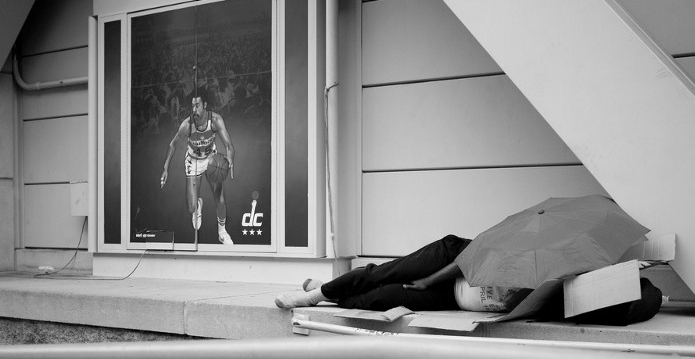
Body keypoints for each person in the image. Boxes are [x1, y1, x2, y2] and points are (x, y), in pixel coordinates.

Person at [274, 235, 525, 312]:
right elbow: (473, 259)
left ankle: (328, 291)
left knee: (380, 299)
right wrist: (428, 280)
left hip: (454, 298)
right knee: (380, 275)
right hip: (450, 260)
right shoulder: (526, 257)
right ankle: (311, 297)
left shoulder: (538, 297)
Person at [160, 86, 236, 244]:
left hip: (211, 160)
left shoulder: (215, 120)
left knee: (220, 199)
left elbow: (229, 145)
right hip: (193, 162)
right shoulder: (187, 125)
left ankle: (222, 232)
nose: (194, 109)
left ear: (205, 105)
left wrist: (229, 159)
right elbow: (173, 144)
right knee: (191, 208)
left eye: (197, 105)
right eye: (192, 106)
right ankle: (198, 205)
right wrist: (165, 168)